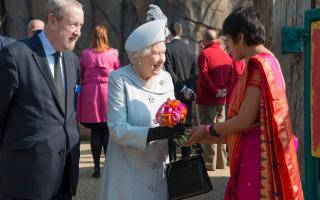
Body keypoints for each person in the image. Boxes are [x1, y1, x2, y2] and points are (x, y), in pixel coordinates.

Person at [188, 6, 304, 199]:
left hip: (256, 158)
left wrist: (209, 130)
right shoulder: (272, 61)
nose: (227, 47)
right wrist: (207, 134)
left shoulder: (257, 67)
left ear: (240, 37)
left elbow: (245, 121)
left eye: (228, 41)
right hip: (262, 151)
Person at [0, 0, 84, 199]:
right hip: (24, 179)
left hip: (64, 176)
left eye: (81, 26)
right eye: (73, 24)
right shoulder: (15, 56)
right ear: (52, 20)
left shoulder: (73, 60)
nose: (78, 32)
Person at [99, 19, 184, 200]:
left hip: (158, 172)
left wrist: (179, 132)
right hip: (127, 174)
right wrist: (153, 134)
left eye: (164, 52)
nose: (163, 59)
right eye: (156, 53)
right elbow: (116, 129)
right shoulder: (119, 79)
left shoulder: (166, 78)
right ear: (138, 56)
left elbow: (172, 114)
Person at [77, 25, 120, 178]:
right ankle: (108, 167)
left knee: (96, 131)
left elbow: (80, 75)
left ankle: (96, 168)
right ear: (106, 37)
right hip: (107, 93)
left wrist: (79, 92)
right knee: (107, 130)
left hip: (90, 94)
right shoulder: (113, 53)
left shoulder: (85, 54)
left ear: (92, 37)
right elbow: (118, 73)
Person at [196, 29, 234, 171]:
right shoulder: (225, 55)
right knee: (220, 129)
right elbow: (232, 76)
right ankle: (221, 163)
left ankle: (209, 163)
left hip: (207, 99)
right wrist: (224, 90)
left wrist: (215, 91)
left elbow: (204, 76)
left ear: (205, 41)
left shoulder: (204, 54)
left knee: (208, 130)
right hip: (221, 100)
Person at [164, 22, 198, 160]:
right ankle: (186, 159)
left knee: (172, 127)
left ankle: (172, 160)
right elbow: (195, 72)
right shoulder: (190, 49)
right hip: (187, 96)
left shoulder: (168, 48)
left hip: (174, 94)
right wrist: (189, 89)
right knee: (186, 128)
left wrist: (182, 88)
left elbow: (169, 70)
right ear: (181, 32)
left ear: (170, 33)